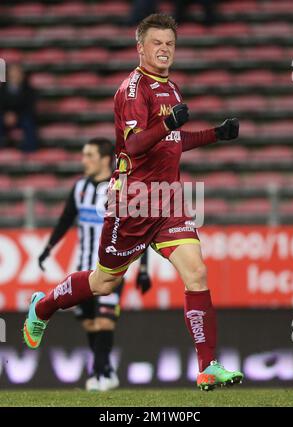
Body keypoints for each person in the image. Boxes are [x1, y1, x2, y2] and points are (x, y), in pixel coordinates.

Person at [23, 13, 243, 391]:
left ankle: (208, 367)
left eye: (170, 44)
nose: (164, 50)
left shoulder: (171, 88)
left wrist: (215, 134)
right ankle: (42, 307)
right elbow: (136, 144)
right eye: (157, 43)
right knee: (103, 282)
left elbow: (174, 141)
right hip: (133, 201)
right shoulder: (132, 89)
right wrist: (169, 124)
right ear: (140, 47)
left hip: (168, 200)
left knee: (197, 273)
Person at [37, 138, 151, 391]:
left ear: (104, 158)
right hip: (83, 273)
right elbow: (66, 220)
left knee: (105, 321)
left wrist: (143, 269)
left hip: (111, 271)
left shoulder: (121, 189)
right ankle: (106, 370)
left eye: (89, 155)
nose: (83, 160)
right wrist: (47, 249)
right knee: (90, 323)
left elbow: (139, 232)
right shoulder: (79, 188)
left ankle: (99, 376)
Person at [0, 63, 38, 152]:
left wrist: (16, 115)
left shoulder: (30, 90)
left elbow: (30, 107)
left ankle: (29, 151)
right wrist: (6, 115)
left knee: (29, 123)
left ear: (22, 75)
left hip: (22, 117)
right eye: (12, 73)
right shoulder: (1, 90)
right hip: (4, 117)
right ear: (8, 75)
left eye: (17, 73)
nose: (15, 75)